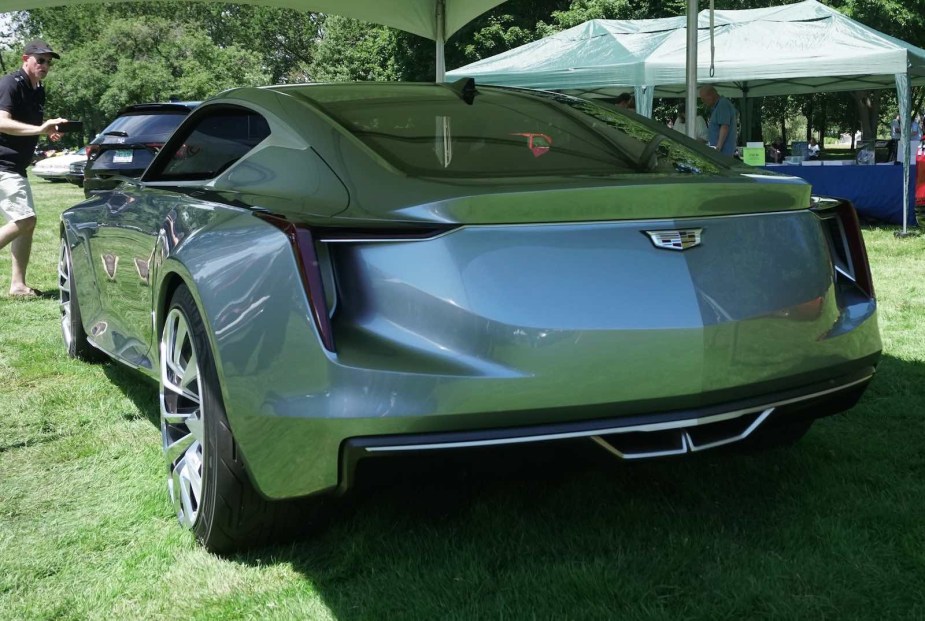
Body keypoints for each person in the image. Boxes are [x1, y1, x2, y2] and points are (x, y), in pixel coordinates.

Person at [0, 39, 67, 297]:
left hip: (16, 166)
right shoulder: (10, 84)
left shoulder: (38, 90)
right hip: (3, 164)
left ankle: (18, 285)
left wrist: (46, 133)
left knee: (27, 223)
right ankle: (17, 285)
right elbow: (2, 122)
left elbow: (25, 127)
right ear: (25, 59)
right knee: (25, 219)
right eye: (40, 60)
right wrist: (39, 129)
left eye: (48, 62)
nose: (45, 65)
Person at [698, 85, 737, 156]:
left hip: (723, 153)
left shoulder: (722, 104)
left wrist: (718, 148)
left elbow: (724, 127)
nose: (703, 102)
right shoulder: (718, 106)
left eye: (703, 99)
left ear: (711, 95)